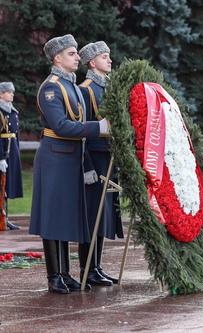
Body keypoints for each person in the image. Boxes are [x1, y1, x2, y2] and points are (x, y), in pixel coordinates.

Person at [29, 34, 111, 294]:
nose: (78, 57)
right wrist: (99, 127)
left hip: (71, 156)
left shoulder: (72, 86)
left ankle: (65, 273)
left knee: (64, 215)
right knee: (53, 216)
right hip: (55, 155)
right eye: (72, 53)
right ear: (57, 58)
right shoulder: (51, 87)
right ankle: (55, 276)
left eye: (76, 53)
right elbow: (62, 125)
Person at [78, 41, 123, 286]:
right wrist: (86, 166)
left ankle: (96, 266)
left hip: (108, 157)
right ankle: (87, 267)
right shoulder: (85, 90)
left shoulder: (107, 88)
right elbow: (82, 131)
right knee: (92, 214)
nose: (110, 60)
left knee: (103, 214)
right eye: (105, 57)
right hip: (94, 158)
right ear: (92, 62)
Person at [0, 82, 22, 230]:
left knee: (7, 186)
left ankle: (5, 218)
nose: (12, 94)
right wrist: (0, 157)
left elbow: (16, 134)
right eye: (9, 92)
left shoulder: (12, 111)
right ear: (1, 94)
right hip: (3, 151)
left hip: (12, 151)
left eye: (12, 92)